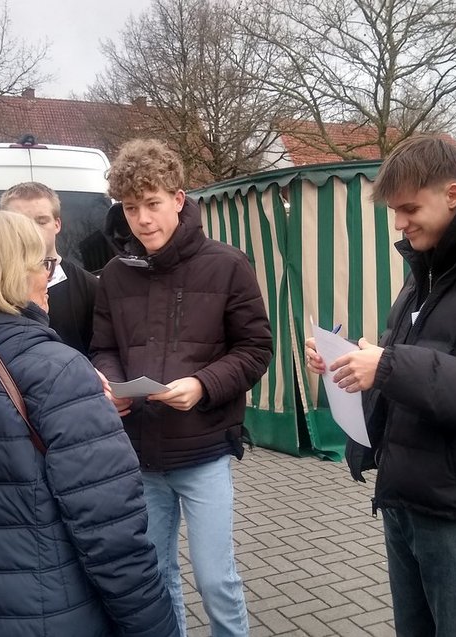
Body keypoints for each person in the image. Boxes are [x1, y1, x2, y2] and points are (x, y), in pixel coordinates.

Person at [306, 136, 456, 637]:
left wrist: (391, 365)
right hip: (407, 490)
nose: (399, 223)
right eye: (395, 211)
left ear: (454, 196)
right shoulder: (429, 268)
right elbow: (420, 362)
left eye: (409, 208)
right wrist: (356, 361)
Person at [0, 207, 178, 637]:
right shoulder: (56, 370)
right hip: (50, 614)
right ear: (10, 273)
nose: (51, 276)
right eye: (44, 264)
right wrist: (155, 626)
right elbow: (111, 535)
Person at [90, 139, 273, 637]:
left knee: (216, 580)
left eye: (152, 204)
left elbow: (256, 349)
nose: (143, 219)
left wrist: (202, 383)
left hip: (204, 450)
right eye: (130, 208)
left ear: (178, 198)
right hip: (141, 454)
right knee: (157, 575)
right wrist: (112, 384)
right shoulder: (113, 275)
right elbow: (102, 346)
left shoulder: (228, 264)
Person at [1, 181, 99, 356]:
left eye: (41, 221)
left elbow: (99, 352)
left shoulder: (89, 286)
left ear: (57, 224)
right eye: (20, 223)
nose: (31, 231)